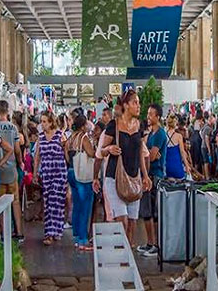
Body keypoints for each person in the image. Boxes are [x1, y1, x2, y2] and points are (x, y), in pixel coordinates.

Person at [96, 90, 151, 246]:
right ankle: (120, 253)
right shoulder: (114, 125)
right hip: (114, 177)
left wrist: (145, 175)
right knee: (123, 220)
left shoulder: (139, 125)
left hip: (134, 177)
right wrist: (109, 149)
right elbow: (101, 150)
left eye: (138, 102)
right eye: (135, 102)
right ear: (126, 105)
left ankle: (126, 258)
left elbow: (140, 151)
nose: (138, 106)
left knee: (132, 224)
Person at [138, 104, 168, 258]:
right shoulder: (150, 134)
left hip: (155, 176)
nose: (148, 117)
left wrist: (147, 155)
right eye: (148, 114)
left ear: (158, 117)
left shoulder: (160, 134)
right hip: (148, 175)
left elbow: (151, 155)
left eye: (151, 114)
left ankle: (155, 244)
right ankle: (150, 242)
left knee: (152, 212)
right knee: (146, 212)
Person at [34, 111, 68, 246]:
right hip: (47, 173)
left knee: (57, 201)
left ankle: (55, 230)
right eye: (41, 121)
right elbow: (37, 156)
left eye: (44, 121)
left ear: (50, 121)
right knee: (48, 202)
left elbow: (66, 154)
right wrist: (35, 173)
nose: (42, 124)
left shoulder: (60, 135)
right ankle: (50, 232)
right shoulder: (40, 137)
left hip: (59, 172)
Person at [66, 114, 96, 249]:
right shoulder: (83, 137)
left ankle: (77, 235)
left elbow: (66, 154)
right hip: (82, 175)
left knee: (77, 205)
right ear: (83, 126)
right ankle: (83, 239)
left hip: (71, 172)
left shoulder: (70, 137)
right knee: (85, 206)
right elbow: (91, 153)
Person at [0, 100, 25, 242]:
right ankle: (19, 232)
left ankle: (2, 232)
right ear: (8, 111)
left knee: (0, 203)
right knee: (16, 201)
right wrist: (20, 162)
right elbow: (17, 149)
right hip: (12, 169)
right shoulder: (13, 128)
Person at [165, 114, 192, 180]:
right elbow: (182, 152)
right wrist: (187, 166)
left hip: (167, 165)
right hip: (177, 164)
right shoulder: (178, 136)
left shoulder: (164, 135)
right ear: (175, 123)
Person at [201, 113, 214, 180]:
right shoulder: (208, 128)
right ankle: (207, 176)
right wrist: (209, 149)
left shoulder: (204, 127)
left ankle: (206, 175)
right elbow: (207, 139)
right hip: (205, 147)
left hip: (203, 146)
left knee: (206, 161)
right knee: (206, 162)